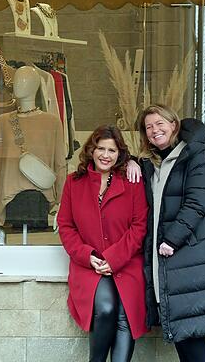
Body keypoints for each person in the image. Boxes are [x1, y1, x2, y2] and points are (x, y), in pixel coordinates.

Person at [136, 104, 205, 361]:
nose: (155, 130)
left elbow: (199, 201)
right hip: (167, 258)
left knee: (191, 332)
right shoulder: (154, 162)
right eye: (149, 127)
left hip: (187, 255)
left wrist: (172, 239)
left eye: (159, 123)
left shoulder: (193, 157)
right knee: (182, 329)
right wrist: (131, 163)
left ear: (174, 124)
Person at [57, 125, 149, 362]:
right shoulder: (73, 183)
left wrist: (115, 258)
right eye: (101, 148)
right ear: (91, 150)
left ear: (120, 154)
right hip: (90, 265)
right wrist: (86, 255)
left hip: (126, 263)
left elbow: (139, 226)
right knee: (106, 308)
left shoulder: (132, 181)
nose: (106, 155)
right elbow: (66, 226)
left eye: (112, 150)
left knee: (125, 314)